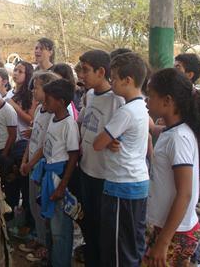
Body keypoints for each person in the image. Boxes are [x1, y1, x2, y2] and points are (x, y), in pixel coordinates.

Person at [145, 68, 200, 266]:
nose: (146, 101)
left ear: (167, 101)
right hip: (167, 227)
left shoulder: (179, 138)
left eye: (150, 96)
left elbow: (184, 193)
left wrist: (164, 241)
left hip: (176, 232)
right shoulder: (172, 131)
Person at [92, 52, 149, 266]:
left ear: (128, 80)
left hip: (122, 186)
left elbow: (98, 143)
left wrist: (108, 139)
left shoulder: (126, 112)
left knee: (118, 250)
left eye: (114, 78)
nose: (111, 82)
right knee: (132, 246)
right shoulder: (142, 106)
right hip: (136, 183)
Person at [77, 50, 125, 267]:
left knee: (104, 232)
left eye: (86, 70)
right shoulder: (88, 96)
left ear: (101, 71)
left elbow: (129, 133)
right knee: (88, 226)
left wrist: (119, 142)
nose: (81, 75)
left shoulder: (118, 101)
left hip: (104, 176)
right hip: (86, 169)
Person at [38, 79, 80, 266]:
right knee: (50, 225)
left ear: (61, 102)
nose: (44, 103)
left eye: (48, 100)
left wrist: (62, 186)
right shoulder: (53, 119)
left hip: (59, 178)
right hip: (49, 175)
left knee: (60, 229)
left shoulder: (68, 124)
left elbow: (73, 156)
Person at [18, 71, 60, 262]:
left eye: (37, 87)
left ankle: (46, 246)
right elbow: (34, 138)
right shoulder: (39, 110)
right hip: (31, 165)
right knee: (34, 206)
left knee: (43, 208)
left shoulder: (52, 115)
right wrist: (24, 159)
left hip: (41, 166)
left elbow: (45, 145)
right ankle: (40, 238)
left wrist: (32, 163)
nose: (33, 90)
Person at [173, 53, 200, 205]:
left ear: (189, 74)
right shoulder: (176, 95)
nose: (174, 70)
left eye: (178, 67)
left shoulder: (192, 99)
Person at [6, 61, 37, 227]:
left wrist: (14, 106)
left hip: (23, 144)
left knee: (24, 184)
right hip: (10, 142)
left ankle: (27, 223)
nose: (16, 73)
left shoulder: (30, 95)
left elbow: (30, 119)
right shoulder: (10, 93)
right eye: (15, 70)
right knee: (10, 183)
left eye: (20, 71)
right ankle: (11, 219)